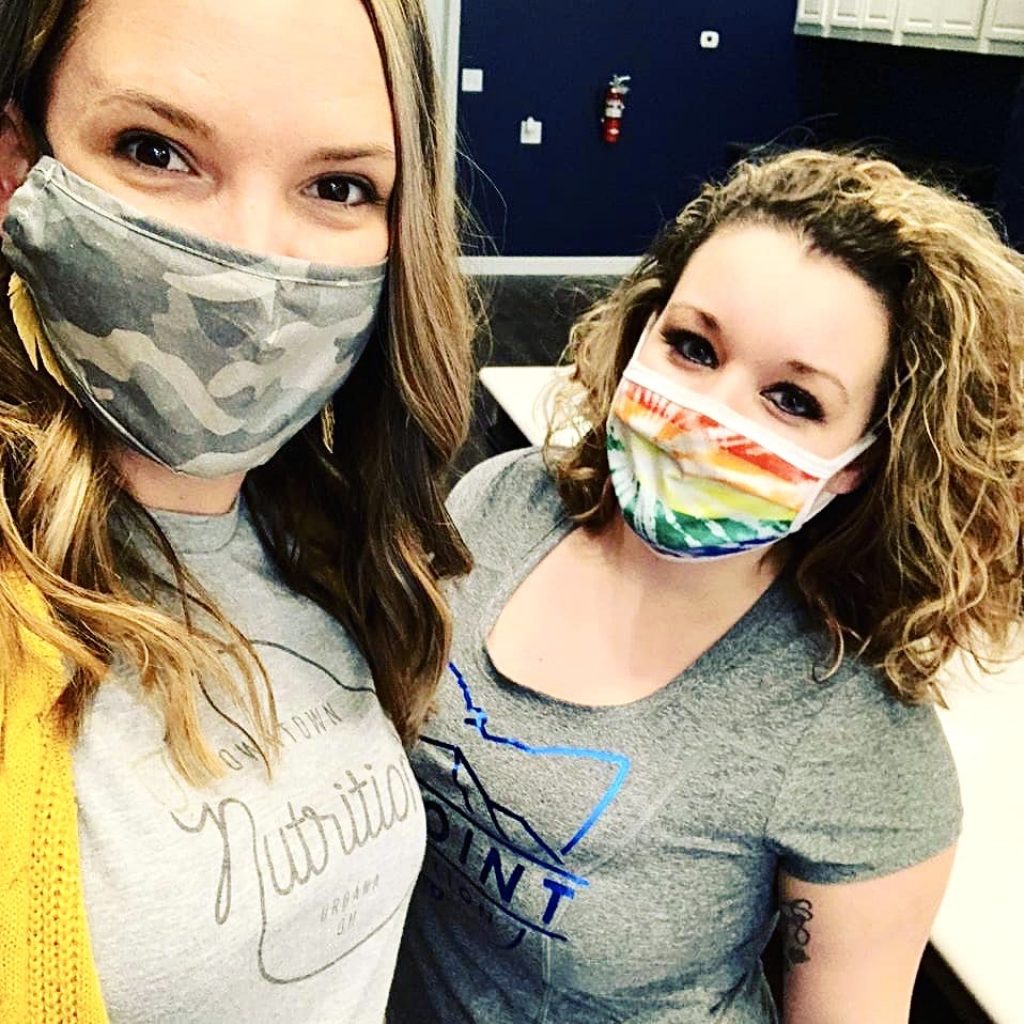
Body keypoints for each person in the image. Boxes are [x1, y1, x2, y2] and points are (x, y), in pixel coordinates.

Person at [389, 150, 1024, 1023]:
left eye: (792, 399)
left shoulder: (852, 742)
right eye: (692, 346)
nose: (704, 421)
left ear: (858, 464)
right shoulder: (502, 502)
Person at [0, 1, 474, 1021]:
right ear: (16, 167)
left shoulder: (329, 534)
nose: (251, 265)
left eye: (338, 187)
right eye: (155, 151)